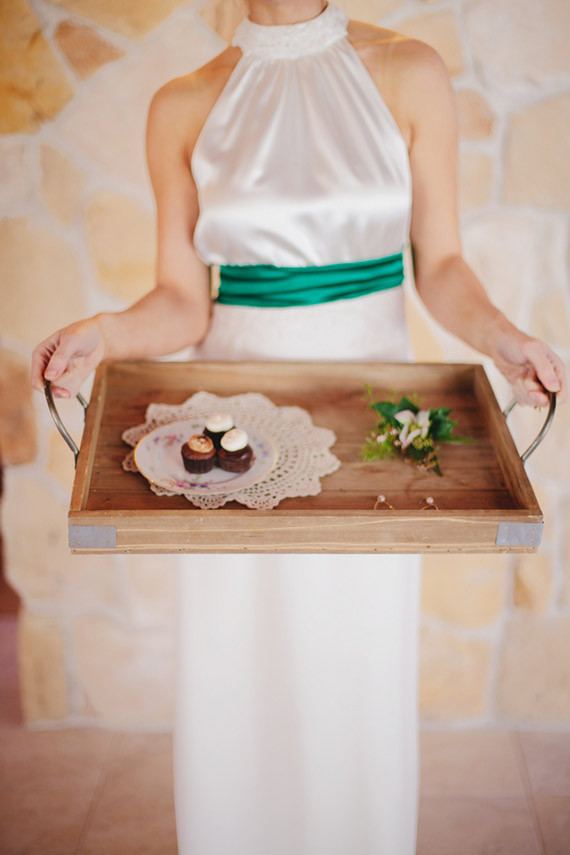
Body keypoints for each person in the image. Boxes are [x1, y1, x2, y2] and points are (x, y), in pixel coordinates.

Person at [32, 2, 566, 853]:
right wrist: (104, 332)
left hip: (371, 433)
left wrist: (505, 340)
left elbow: (442, 264)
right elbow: (181, 300)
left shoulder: (409, 72)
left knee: (353, 664)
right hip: (233, 439)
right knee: (240, 668)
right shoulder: (182, 103)